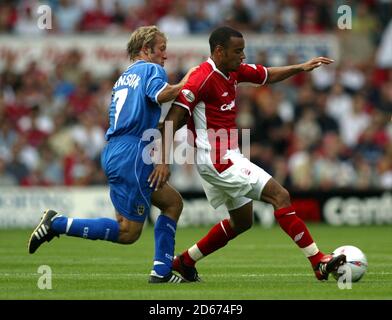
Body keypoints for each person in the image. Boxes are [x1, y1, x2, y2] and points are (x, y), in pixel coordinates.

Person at [149, 26, 347, 282]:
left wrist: (300, 67)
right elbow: (171, 121)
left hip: (225, 156)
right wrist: (162, 161)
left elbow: (267, 75)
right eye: (238, 51)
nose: (243, 57)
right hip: (217, 159)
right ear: (219, 52)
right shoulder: (201, 78)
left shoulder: (232, 70)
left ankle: (185, 261)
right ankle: (318, 260)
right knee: (280, 195)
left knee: (242, 221)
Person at [28, 26, 196, 284]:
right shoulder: (151, 69)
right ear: (146, 49)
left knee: (172, 203)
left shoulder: (123, 78)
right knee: (128, 232)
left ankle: (161, 271)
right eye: (162, 49)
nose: (165, 56)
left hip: (115, 150)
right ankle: (57, 224)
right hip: (133, 153)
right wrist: (187, 82)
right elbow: (161, 94)